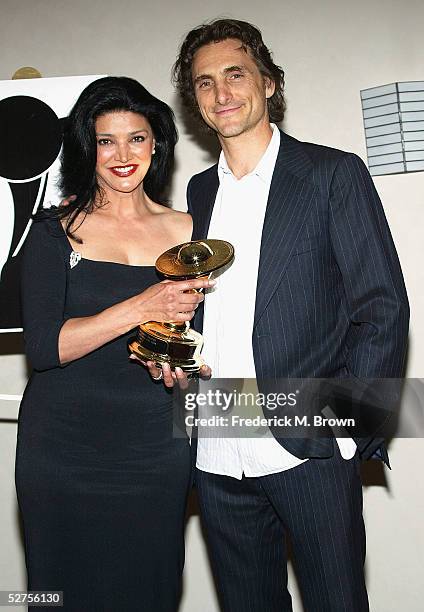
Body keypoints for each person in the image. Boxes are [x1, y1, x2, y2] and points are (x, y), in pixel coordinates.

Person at [160, 18, 409, 611]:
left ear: (268, 82)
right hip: (217, 444)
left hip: (310, 444)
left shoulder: (332, 173)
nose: (220, 94)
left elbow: (382, 308)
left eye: (235, 74)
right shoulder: (197, 194)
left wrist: (346, 432)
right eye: (203, 83)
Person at [15, 76, 214, 612]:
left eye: (137, 138)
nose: (123, 155)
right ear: (88, 147)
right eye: (107, 140)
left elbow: (202, 333)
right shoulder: (53, 229)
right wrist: (139, 306)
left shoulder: (192, 229)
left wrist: (184, 367)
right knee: (58, 595)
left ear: (157, 144)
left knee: (151, 590)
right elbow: (44, 348)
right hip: (62, 448)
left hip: (156, 444)